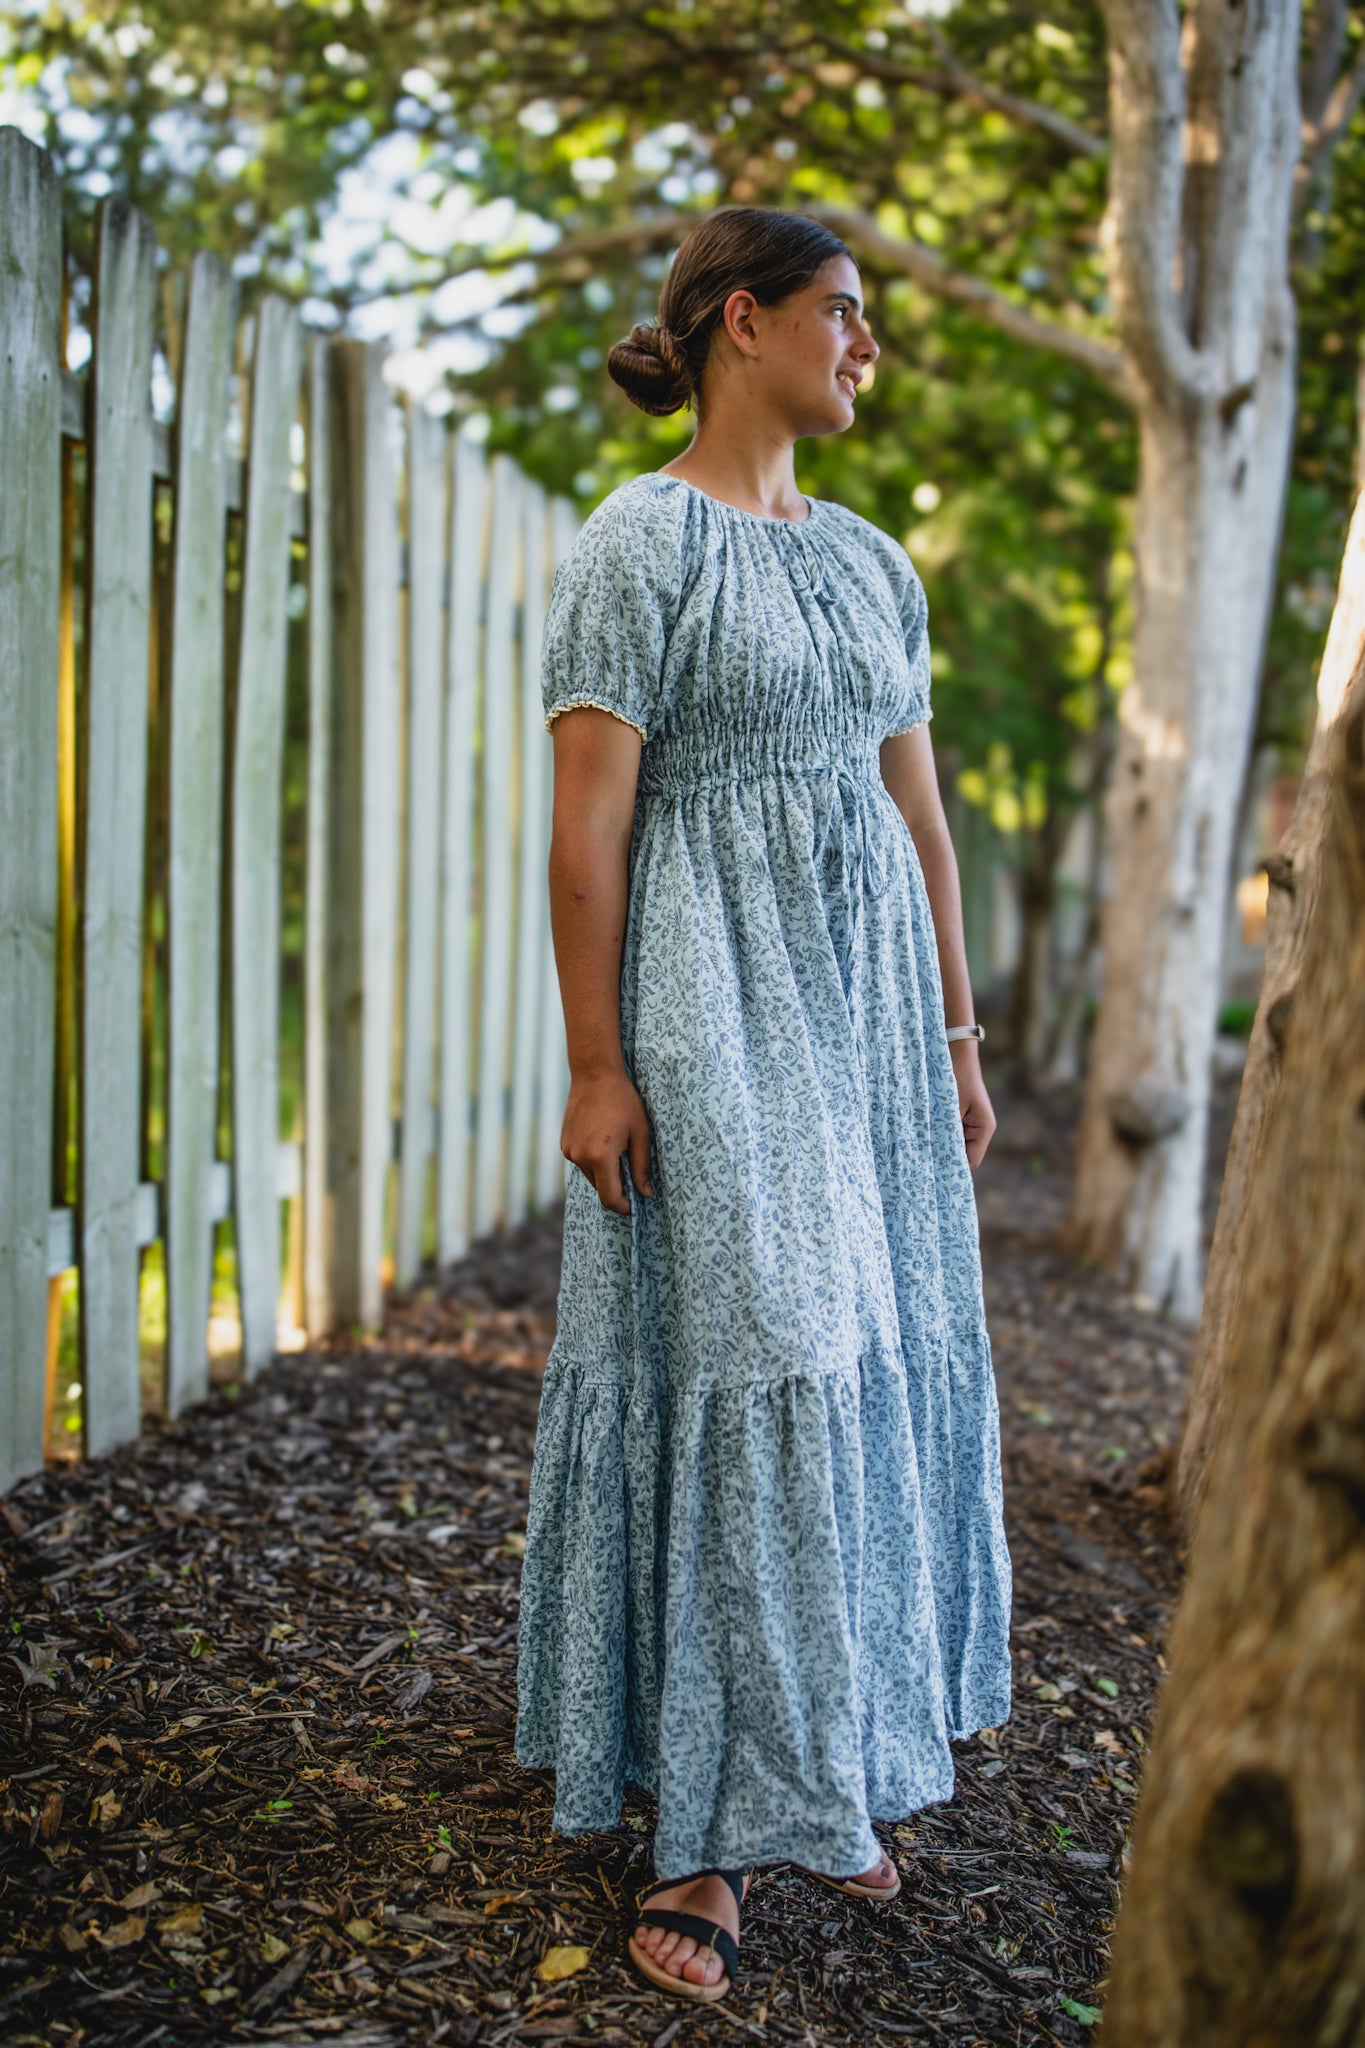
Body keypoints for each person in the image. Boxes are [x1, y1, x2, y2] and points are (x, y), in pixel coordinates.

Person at [514, 206, 1012, 2005]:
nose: (865, 346)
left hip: (868, 1021)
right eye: (843, 315)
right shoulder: (633, 547)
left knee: (864, 1351)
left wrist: (957, 1040)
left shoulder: (876, 562)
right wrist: (594, 1059)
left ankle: (825, 1767)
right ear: (746, 323)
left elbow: (921, 816)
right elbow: (589, 826)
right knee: (763, 1350)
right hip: (710, 1003)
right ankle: (708, 1838)